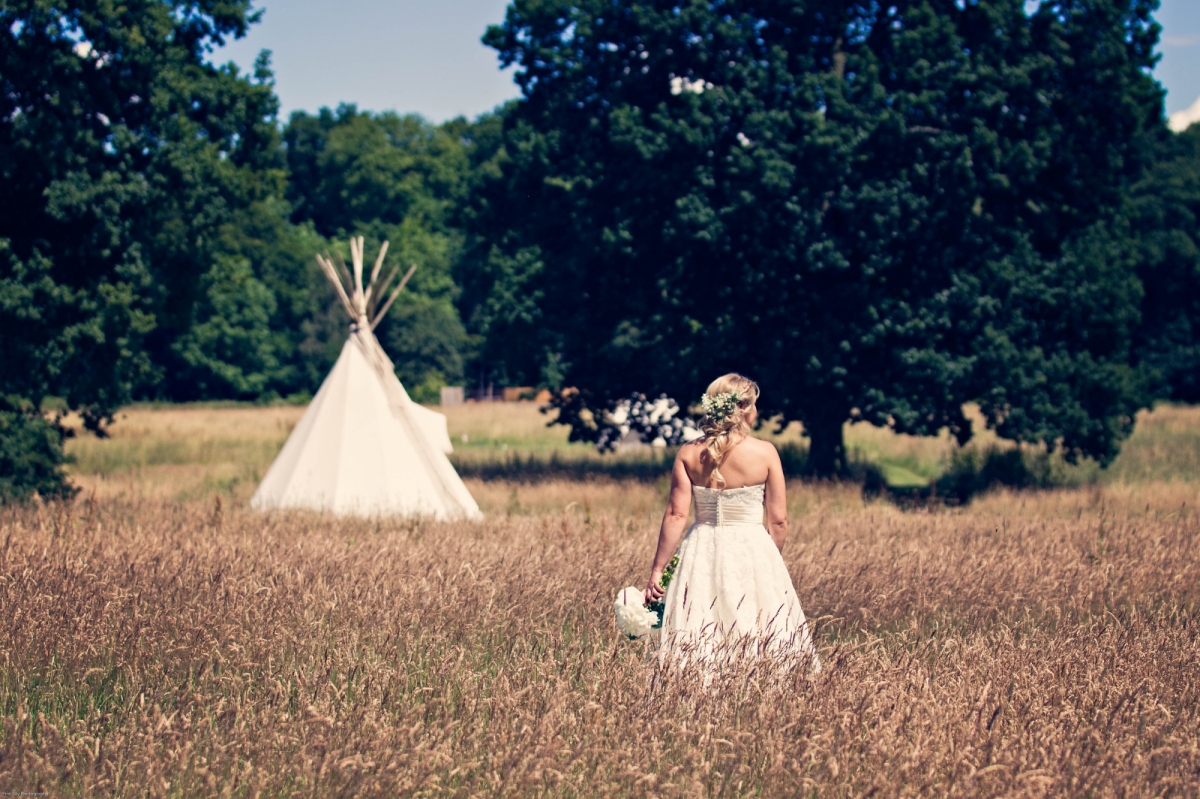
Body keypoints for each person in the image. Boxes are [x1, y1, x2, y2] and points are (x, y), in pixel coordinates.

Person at [644, 373, 820, 672]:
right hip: (752, 545)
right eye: (754, 405)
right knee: (759, 620)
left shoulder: (688, 453)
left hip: (702, 546)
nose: (757, 411)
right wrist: (769, 560)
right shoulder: (765, 453)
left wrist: (658, 570)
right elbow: (779, 521)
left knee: (700, 620)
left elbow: (676, 513)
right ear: (743, 407)